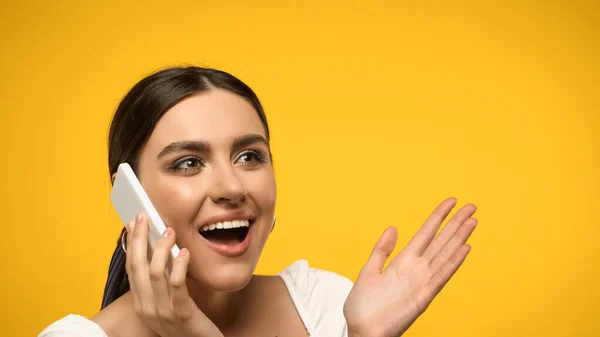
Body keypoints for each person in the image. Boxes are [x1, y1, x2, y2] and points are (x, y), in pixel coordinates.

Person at [39, 66, 478, 337]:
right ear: (127, 195)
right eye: (188, 163)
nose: (232, 186)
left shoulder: (326, 304)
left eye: (249, 156)